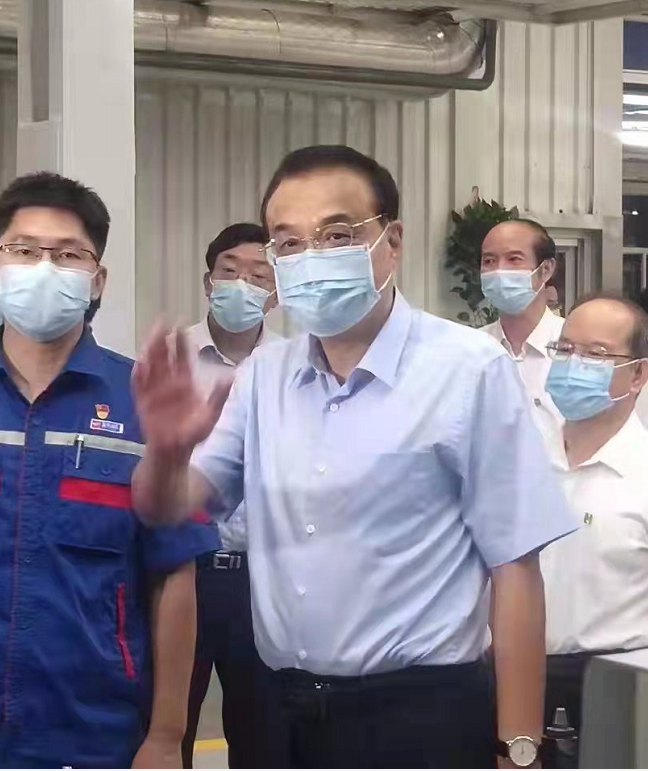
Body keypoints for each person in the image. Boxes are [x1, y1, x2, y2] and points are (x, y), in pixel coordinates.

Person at [132, 145, 577, 769]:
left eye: (336, 235)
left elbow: (516, 568)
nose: (311, 258)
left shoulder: (466, 370)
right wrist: (167, 452)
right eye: (289, 242)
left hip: (417, 716)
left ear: (391, 242)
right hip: (278, 712)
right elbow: (169, 508)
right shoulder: (264, 375)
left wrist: (518, 747)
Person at [0, 172, 219, 769]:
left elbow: (174, 576)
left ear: (97, 280)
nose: (44, 268)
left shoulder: (143, 403)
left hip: (93, 734)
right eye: (23, 250)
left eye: (69, 254)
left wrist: (167, 735)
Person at [182, 223, 282, 769]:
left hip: (265, 576)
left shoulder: (297, 366)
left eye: (259, 275)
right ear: (208, 282)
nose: (243, 284)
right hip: (182, 572)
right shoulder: (166, 360)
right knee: (169, 721)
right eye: (230, 271)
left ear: (277, 291)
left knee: (265, 733)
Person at [540, 294, 648, 748]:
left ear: (638, 374)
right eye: (565, 349)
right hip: (508, 675)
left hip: (618, 682)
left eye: (597, 354)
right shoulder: (520, 456)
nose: (574, 365)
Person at [481, 219, 564, 432]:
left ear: (546, 269)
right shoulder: (471, 348)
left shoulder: (578, 348)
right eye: (489, 261)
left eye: (514, 259)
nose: (499, 271)